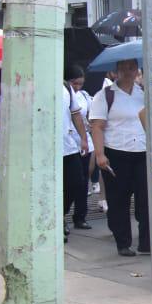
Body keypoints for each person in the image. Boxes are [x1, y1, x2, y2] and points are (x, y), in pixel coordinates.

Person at [88, 59, 151, 255]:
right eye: (123, 68)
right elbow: (96, 126)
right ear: (116, 71)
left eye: (131, 68)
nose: (127, 71)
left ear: (137, 70)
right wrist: (100, 154)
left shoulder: (144, 94)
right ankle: (123, 242)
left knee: (146, 199)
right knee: (118, 201)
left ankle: (147, 242)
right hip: (116, 152)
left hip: (141, 152)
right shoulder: (105, 96)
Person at [62, 67, 93, 233]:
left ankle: (70, 214)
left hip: (70, 145)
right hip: (52, 146)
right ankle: (59, 218)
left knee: (78, 181)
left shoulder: (70, 91)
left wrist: (83, 138)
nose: (78, 86)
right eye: (76, 83)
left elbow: (77, 115)